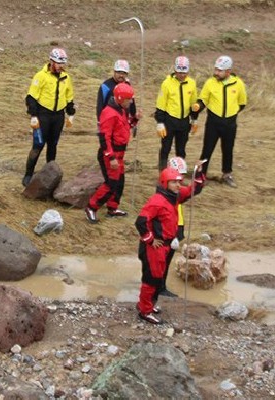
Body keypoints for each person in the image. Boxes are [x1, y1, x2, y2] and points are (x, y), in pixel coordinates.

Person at [135, 166, 205, 324]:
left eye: (179, 182)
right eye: (174, 182)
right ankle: (144, 310)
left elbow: (193, 190)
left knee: (157, 278)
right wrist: (150, 239)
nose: (178, 185)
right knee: (152, 279)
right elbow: (141, 221)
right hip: (154, 248)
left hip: (164, 246)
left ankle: (147, 304)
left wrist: (199, 173)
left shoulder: (174, 197)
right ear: (165, 183)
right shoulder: (157, 201)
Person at [23, 48, 76, 187]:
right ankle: (28, 173)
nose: (61, 66)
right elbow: (31, 97)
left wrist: (70, 113)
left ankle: (50, 175)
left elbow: (69, 97)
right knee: (38, 145)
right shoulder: (41, 76)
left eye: (63, 64)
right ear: (51, 61)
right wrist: (33, 115)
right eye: (58, 63)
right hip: (43, 115)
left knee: (53, 145)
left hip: (58, 116)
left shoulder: (66, 77)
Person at [85, 83, 135, 223]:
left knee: (119, 182)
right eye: (128, 99)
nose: (131, 102)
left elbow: (125, 126)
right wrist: (111, 157)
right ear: (120, 98)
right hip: (111, 154)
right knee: (111, 183)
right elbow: (104, 137)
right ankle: (91, 207)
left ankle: (112, 208)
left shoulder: (121, 110)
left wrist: (135, 119)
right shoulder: (109, 113)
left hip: (119, 154)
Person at [195, 55, 247, 187]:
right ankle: (201, 176)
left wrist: (231, 114)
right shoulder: (210, 82)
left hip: (230, 123)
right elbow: (203, 100)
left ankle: (227, 174)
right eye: (216, 69)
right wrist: (198, 107)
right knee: (207, 149)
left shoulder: (238, 84)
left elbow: (242, 103)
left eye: (220, 70)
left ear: (228, 71)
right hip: (213, 122)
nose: (216, 73)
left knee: (228, 149)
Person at [155, 56, 199, 171]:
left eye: (184, 72)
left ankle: (180, 170)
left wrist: (194, 119)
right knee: (166, 147)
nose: (182, 75)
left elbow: (193, 104)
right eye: (180, 72)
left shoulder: (192, 83)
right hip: (170, 119)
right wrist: (160, 122)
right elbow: (161, 104)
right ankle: (162, 171)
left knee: (181, 149)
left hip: (184, 121)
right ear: (175, 70)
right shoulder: (166, 83)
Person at [159, 156, 189, 297]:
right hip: (167, 231)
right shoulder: (165, 192)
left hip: (177, 225)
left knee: (166, 259)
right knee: (161, 260)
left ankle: (160, 286)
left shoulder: (175, 189)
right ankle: (159, 288)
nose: (180, 181)